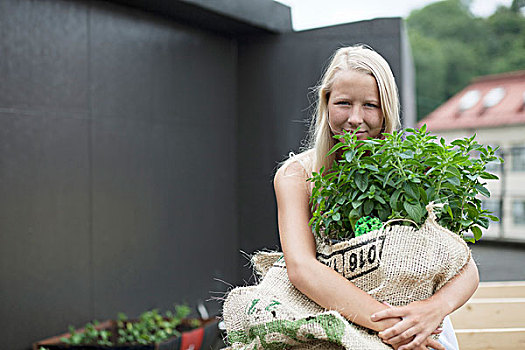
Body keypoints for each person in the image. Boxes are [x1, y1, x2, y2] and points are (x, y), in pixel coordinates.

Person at [273, 45, 479, 350]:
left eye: (370, 105)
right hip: (343, 329)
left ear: (387, 109)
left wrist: (433, 309)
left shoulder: (410, 171)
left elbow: (464, 266)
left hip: (421, 330)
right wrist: (397, 329)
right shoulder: (297, 175)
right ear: (326, 103)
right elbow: (303, 268)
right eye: (343, 103)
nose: (356, 118)